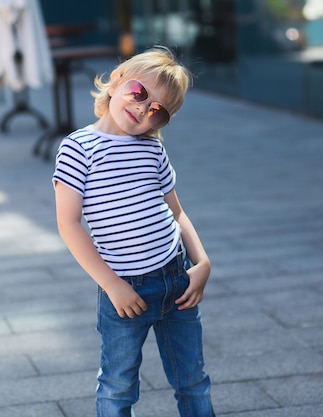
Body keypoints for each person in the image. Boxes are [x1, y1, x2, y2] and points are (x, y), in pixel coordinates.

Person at [52, 46, 215, 417]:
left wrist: (202, 262)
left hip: (177, 280)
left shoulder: (151, 149)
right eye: (140, 93)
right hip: (125, 287)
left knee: (192, 380)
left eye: (157, 110)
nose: (143, 108)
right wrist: (112, 285)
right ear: (116, 81)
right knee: (117, 386)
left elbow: (176, 213)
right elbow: (68, 224)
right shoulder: (79, 148)